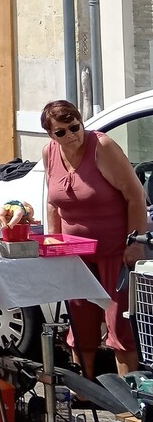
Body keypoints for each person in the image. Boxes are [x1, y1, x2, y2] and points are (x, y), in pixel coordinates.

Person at [41, 98, 150, 376]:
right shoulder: (49, 153)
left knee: (119, 325)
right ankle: (85, 390)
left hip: (116, 250)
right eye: (61, 132)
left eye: (74, 127)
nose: (71, 135)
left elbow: (135, 194)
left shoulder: (102, 146)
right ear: (51, 135)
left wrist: (135, 243)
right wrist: (54, 242)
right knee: (80, 322)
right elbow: (53, 203)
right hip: (76, 253)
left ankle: (128, 397)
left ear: (81, 123)